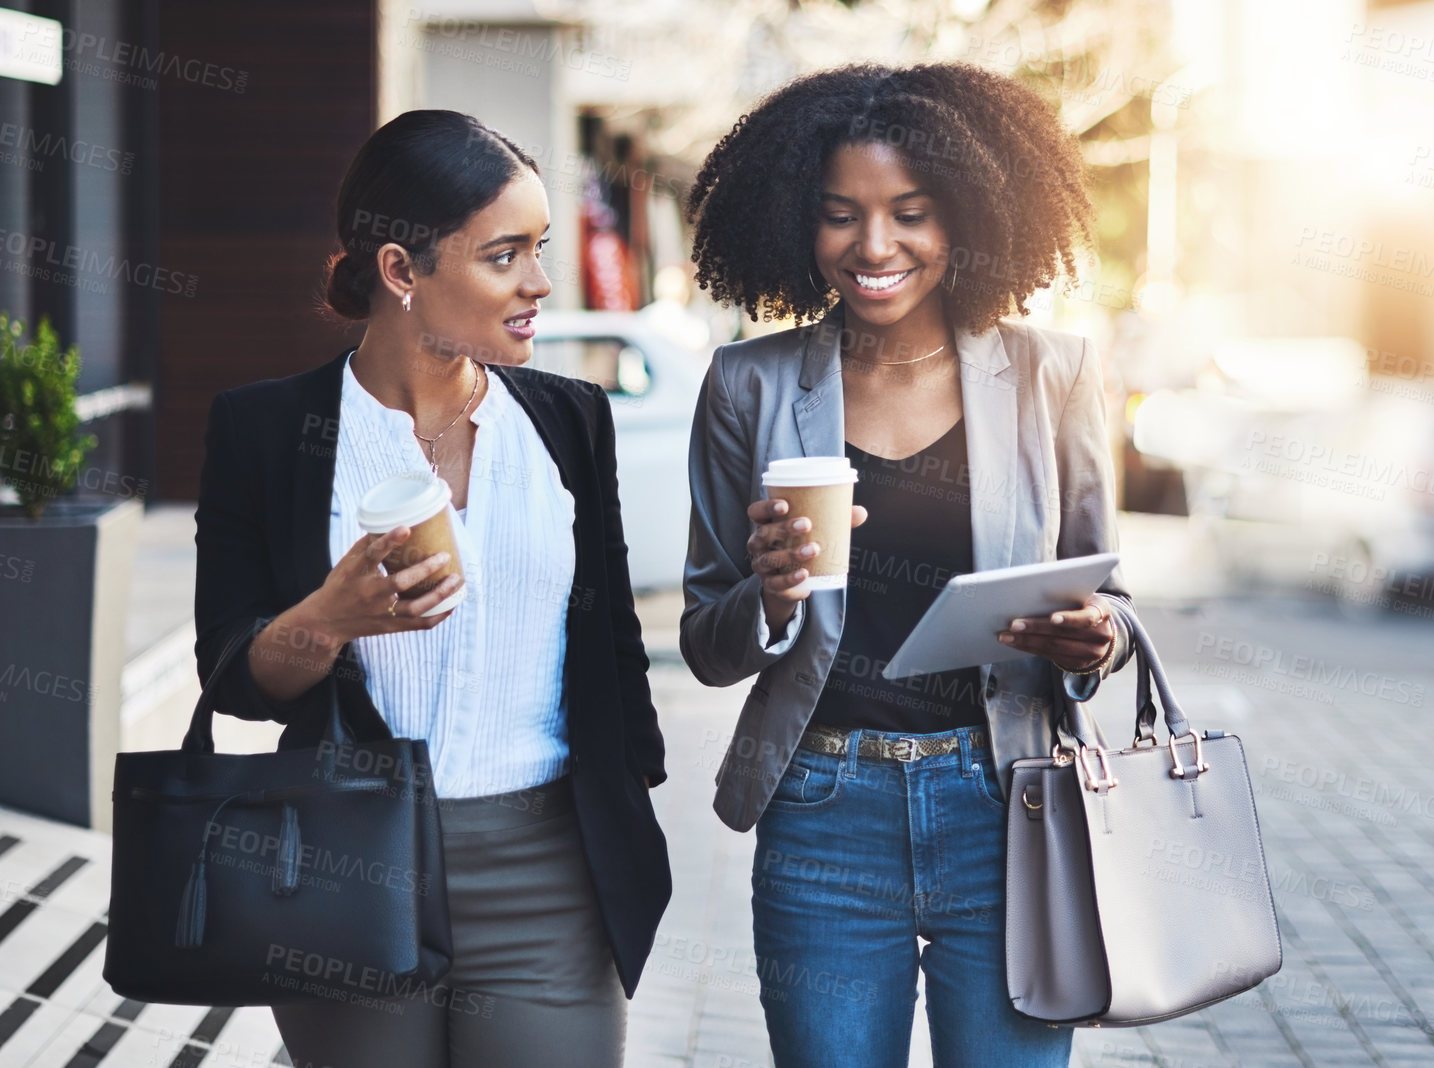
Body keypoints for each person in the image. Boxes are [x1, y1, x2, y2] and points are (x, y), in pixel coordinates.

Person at [191, 109, 669, 1067]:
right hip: (350, 860)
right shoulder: (266, 432)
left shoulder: (570, 422)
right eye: (505, 255)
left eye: (539, 248)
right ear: (402, 272)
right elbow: (234, 678)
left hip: (547, 870)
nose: (540, 282)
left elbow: (612, 638)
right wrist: (329, 619)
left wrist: (624, 805)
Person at [680, 64, 1135, 1067]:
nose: (873, 246)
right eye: (840, 215)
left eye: (911, 214)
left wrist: (1091, 637)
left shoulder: (1051, 374)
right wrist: (768, 592)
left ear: (968, 218)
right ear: (797, 223)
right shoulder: (746, 387)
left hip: (1008, 809)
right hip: (822, 816)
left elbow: (1103, 601)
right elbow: (707, 644)